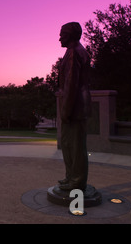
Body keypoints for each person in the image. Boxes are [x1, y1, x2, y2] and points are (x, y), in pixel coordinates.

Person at [57, 22, 91, 191]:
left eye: (62, 34)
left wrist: (65, 110)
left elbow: (71, 85)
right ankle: (71, 176)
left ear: (70, 35)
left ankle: (76, 181)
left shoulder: (73, 53)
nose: (59, 38)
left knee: (75, 147)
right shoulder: (76, 51)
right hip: (77, 105)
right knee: (69, 144)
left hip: (75, 106)